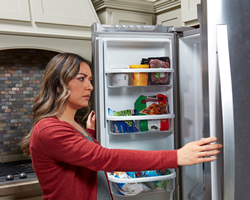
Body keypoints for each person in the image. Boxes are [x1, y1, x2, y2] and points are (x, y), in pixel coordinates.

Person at [20, 53, 222, 200]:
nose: (89, 86)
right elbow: (101, 158)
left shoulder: (73, 123)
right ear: (58, 85)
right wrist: (175, 157)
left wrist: (89, 133)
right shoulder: (49, 129)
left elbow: (78, 156)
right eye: (81, 79)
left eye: (89, 79)